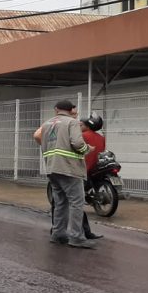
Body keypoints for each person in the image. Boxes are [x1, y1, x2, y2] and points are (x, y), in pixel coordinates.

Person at [34, 100, 93, 249]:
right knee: (76, 203)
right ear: (71, 110)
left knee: (60, 202)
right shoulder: (72, 123)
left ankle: (58, 233)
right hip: (69, 168)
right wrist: (87, 149)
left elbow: (37, 138)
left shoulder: (46, 124)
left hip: (51, 167)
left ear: (56, 109)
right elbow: (78, 143)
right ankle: (76, 237)